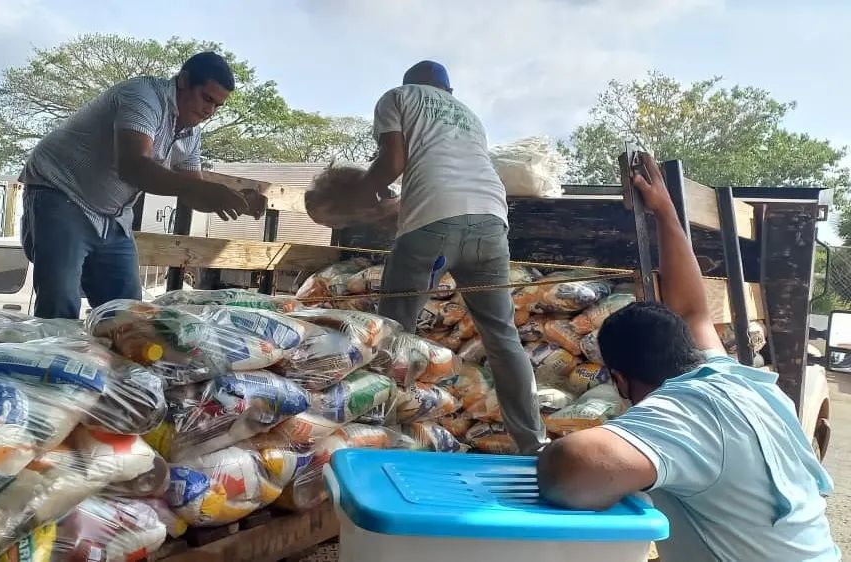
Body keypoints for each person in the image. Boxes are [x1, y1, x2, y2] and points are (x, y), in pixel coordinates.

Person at [538, 153, 838, 561]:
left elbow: (570, 475)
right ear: (685, 348)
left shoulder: (683, 413)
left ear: (621, 381)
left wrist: (544, 454)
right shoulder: (731, 378)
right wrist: (665, 212)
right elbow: (694, 310)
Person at [358, 60, 547, 454]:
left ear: (409, 84)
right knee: (502, 336)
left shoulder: (397, 97)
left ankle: (377, 435)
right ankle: (534, 442)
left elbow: (393, 164)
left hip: (434, 222)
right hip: (492, 223)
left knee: (393, 332)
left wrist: (354, 194)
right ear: (449, 91)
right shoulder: (471, 117)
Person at [20, 51, 265, 319]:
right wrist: (202, 190)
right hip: (61, 192)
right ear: (183, 81)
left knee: (130, 315)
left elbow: (192, 193)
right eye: (206, 98)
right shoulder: (144, 96)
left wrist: (234, 199)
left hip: (113, 217)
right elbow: (133, 166)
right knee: (59, 307)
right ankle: (54, 358)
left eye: (217, 106)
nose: (209, 111)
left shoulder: (191, 134)